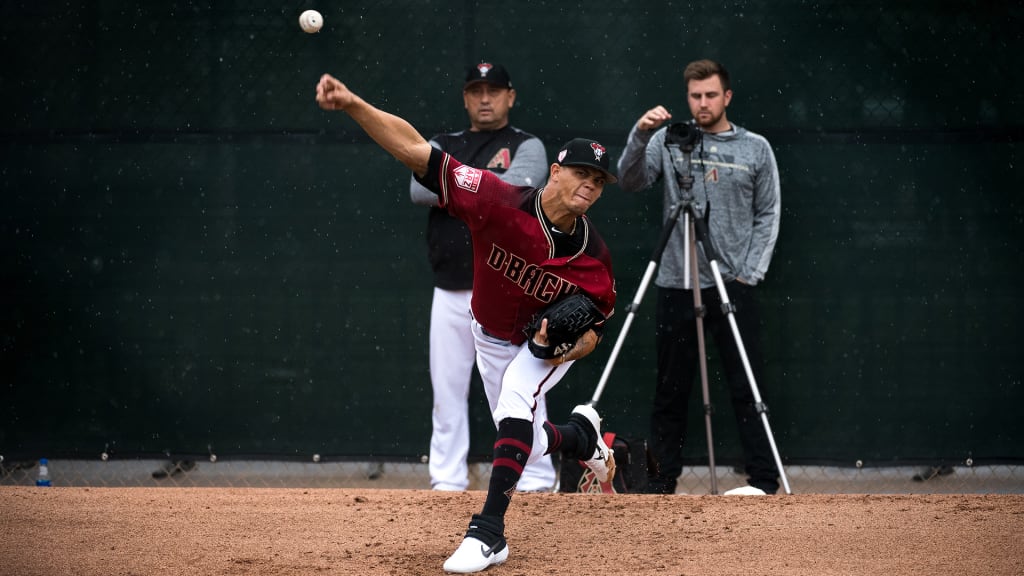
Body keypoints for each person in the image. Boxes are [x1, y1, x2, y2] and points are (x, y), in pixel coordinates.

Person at [316, 73, 618, 573]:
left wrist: (559, 347)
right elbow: (416, 152)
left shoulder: (594, 259)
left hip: (539, 349)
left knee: (519, 400)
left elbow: (592, 333)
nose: (590, 183)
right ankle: (582, 437)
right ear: (556, 171)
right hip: (489, 332)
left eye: (600, 180)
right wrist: (352, 104)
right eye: (582, 172)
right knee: (521, 435)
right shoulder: (495, 199)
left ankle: (488, 533)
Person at [616, 59, 782, 496]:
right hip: (676, 282)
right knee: (670, 390)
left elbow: (768, 212)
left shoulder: (756, 149)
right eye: (695, 96)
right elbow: (629, 180)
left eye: (711, 95)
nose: (703, 103)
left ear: (727, 97)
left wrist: (749, 273)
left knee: (748, 387)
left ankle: (763, 481)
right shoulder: (669, 141)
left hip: (733, 285)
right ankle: (660, 479)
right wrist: (640, 135)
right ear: (686, 97)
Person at [409, 63, 556, 492]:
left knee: (523, 390)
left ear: (511, 96)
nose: (485, 98)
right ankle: (447, 480)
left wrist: (455, 184)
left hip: (509, 292)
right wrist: (487, 187)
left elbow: (520, 191)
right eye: (477, 90)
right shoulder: (442, 143)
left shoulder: (525, 144)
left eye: (494, 90)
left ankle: (535, 477)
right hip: (451, 289)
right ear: (465, 98)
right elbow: (418, 189)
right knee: (447, 393)